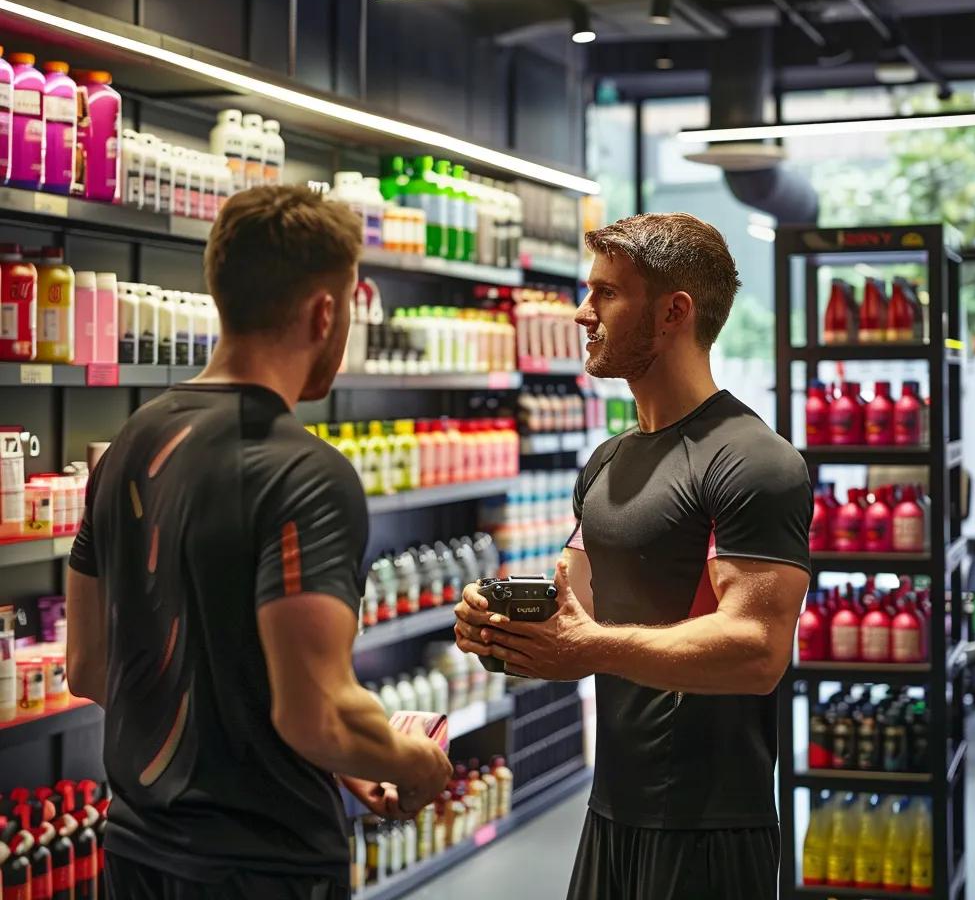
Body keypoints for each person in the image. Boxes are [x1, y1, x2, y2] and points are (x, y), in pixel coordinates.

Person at [65, 186, 452, 900]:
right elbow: (316, 712)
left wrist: (339, 749)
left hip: (137, 855)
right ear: (325, 312)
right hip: (262, 868)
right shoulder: (304, 473)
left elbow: (88, 667)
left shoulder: (126, 446)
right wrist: (415, 764)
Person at [455, 213, 811, 900]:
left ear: (674, 312)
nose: (583, 314)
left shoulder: (755, 461)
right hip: (611, 811)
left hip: (708, 829)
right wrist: (497, 625)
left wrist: (589, 648)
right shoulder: (607, 462)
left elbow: (758, 650)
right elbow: (574, 608)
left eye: (606, 295)